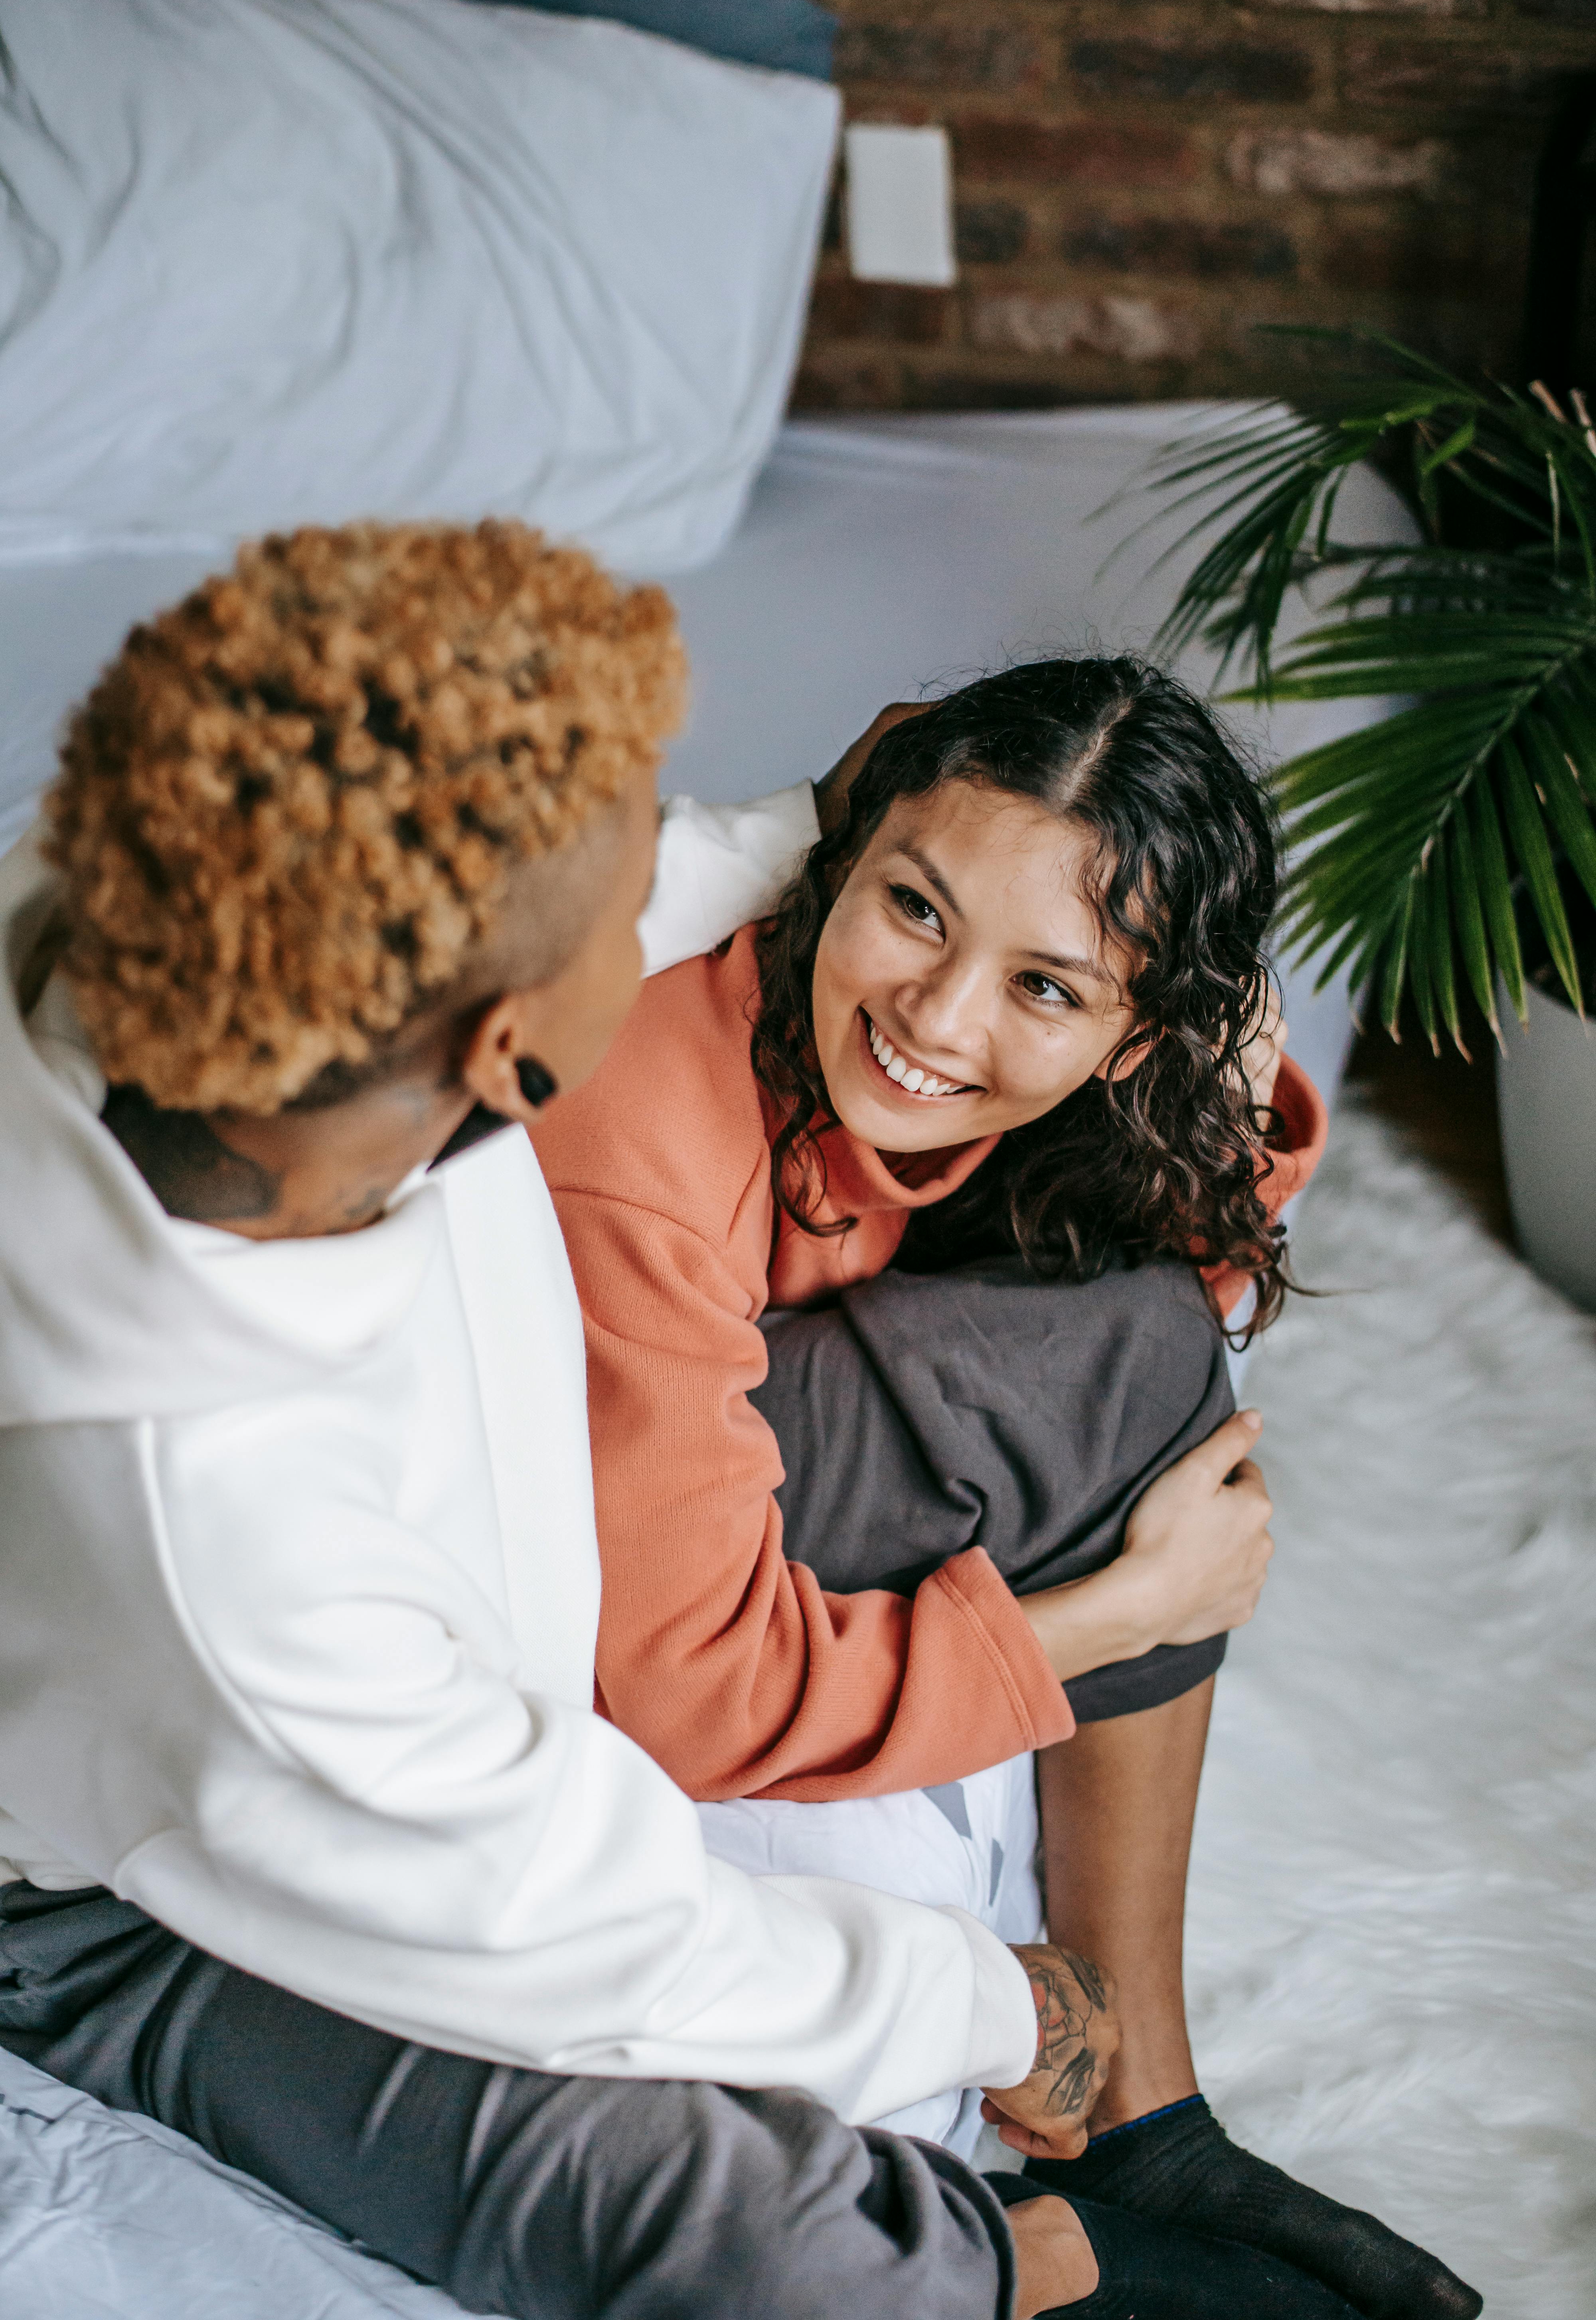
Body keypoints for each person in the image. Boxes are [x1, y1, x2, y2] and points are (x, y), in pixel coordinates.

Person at [0, 522, 1388, 2320]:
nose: (704, 878)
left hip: (440, 1618)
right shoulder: (237, 1525)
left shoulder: (174, 906)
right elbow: (593, 1924)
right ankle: (1034, 2263)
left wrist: (871, 818)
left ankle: (1140, 2134)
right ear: (518, 1047)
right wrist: (987, 2002)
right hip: (93, 1895)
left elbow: (688, 875)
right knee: (739, 2227)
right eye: (634, 867)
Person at [535, 660, 1483, 2320]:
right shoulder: (644, 1112)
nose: (935, 1016)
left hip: (751, 1398)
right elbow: (683, 1684)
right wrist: (1121, 1611)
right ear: (864, 832)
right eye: (913, 907)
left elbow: (1173, 1284)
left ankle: (1146, 2104)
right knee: (1128, 1373)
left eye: (1047, 988)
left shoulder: (964, 1065)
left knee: (1137, 1341)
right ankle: (1135, 2115)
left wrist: (1205, 1096)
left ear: (1135, 1027)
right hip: (546, 1526)